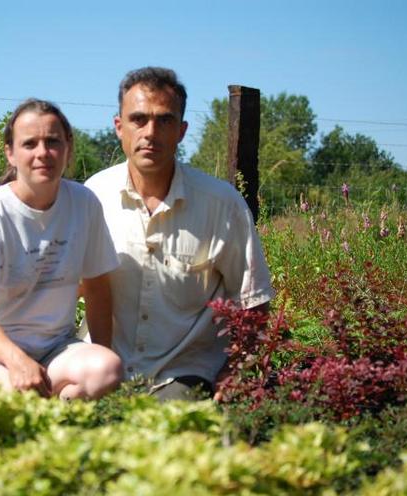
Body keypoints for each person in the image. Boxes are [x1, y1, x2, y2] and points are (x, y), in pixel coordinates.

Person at [84, 67, 274, 401]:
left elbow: (253, 300)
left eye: (165, 120)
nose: (150, 132)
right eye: (138, 119)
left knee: (172, 426)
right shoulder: (93, 197)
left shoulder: (221, 204)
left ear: (182, 130)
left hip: (183, 370)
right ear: (119, 127)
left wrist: (237, 367)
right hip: (103, 368)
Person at [0, 98, 123, 400]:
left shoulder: (84, 204)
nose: (43, 153)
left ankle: (56, 420)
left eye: (53, 142)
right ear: (11, 153)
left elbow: (97, 289)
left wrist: (102, 360)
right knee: (19, 398)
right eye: (30, 144)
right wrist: (18, 362)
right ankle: (43, 416)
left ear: (68, 149)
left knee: (107, 369)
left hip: (55, 348)